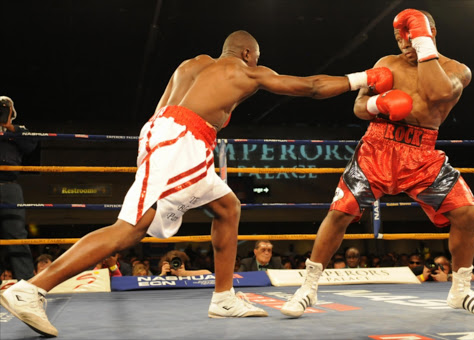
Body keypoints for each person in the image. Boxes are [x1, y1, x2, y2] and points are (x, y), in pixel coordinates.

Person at [0, 30, 393, 336]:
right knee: (130, 229)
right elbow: (310, 87)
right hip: (181, 141)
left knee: (227, 207)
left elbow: (162, 115)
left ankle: (223, 297)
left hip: (168, 133)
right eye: (257, 59)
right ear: (247, 53)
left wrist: (172, 143)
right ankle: (33, 288)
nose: (258, 66)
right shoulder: (246, 70)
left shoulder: (190, 64)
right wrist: (365, 78)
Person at [281, 10, 474, 318]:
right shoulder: (386, 64)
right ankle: (307, 287)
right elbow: (359, 107)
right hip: (377, 146)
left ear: (428, 33)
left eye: (410, 36)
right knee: (340, 212)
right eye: (399, 38)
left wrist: (422, 45)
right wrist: (377, 104)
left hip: (422, 153)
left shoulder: (457, 70)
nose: (403, 44)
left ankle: (461, 290)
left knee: (467, 213)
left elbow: (438, 92)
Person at [0, 96, 37, 282]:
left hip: (9, 186)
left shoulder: (19, 130)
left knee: (16, 235)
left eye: (5, 108)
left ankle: (27, 283)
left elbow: (31, 145)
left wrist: (9, 128)